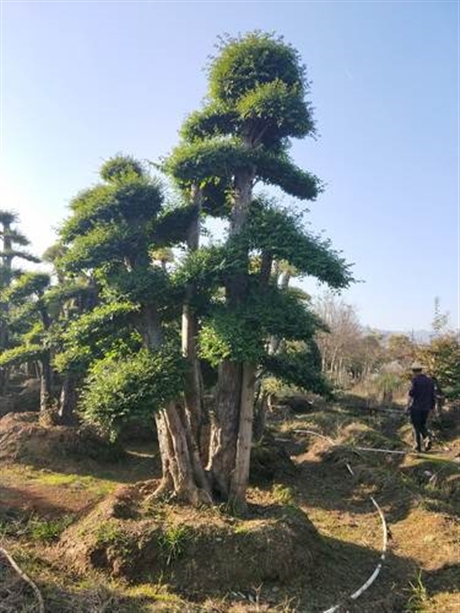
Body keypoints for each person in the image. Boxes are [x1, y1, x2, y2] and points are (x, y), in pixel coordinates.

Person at [406, 361, 436, 452]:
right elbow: (432, 396)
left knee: (416, 427)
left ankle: (417, 447)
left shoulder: (415, 381)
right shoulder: (430, 381)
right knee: (422, 425)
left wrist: (407, 406)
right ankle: (427, 438)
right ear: (421, 370)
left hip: (416, 407)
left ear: (414, 371)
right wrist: (432, 408)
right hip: (426, 408)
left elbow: (411, 394)